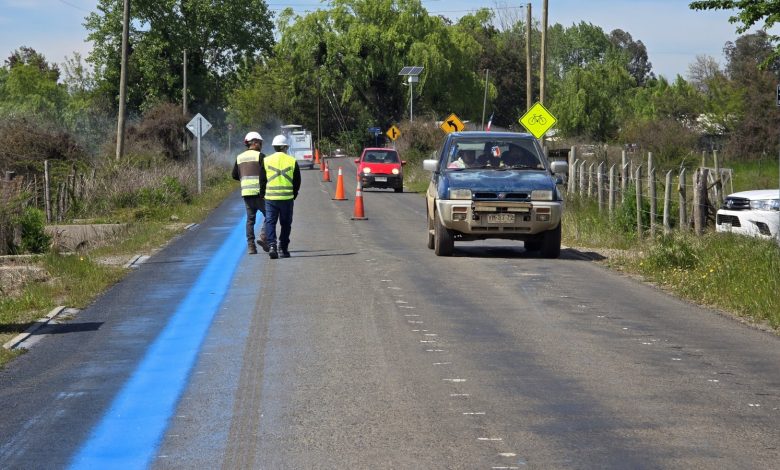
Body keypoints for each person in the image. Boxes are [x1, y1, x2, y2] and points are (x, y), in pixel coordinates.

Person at [261, 134, 301, 259]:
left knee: (270, 222)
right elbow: (297, 181)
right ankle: (283, 248)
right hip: (287, 199)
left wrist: (263, 194)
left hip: (270, 198)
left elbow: (262, 180)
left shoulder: (266, 160)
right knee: (286, 224)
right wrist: (293, 194)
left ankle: (272, 246)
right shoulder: (292, 160)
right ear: (284, 147)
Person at [232, 131, 268, 255]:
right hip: (260, 193)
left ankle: (251, 246)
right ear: (255, 143)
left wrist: (244, 178)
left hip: (246, 193)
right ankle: (263, 236)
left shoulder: (239, 157)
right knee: (269, 215)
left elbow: (234, 175)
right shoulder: (260, 156)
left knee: (250, 220)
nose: (261, 145)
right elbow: (266, 174)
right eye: (260, 143)